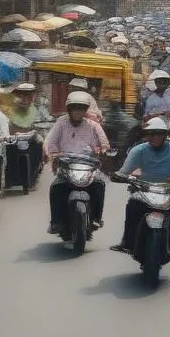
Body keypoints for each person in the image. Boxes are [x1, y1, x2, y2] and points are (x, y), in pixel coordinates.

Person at [110, 118, 170, 255]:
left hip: (168, 191)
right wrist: (119, 176)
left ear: (164, 135)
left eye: (157, 134)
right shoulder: (138, 150)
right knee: (132, 207)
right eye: (150, 134)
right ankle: (128, 243)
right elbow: (124, 171)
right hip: (143, 190)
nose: (153, 137)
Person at [44, 92, 111, 234]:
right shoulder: (61, 123)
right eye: (74, 108)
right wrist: (55, 155)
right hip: (66, 164)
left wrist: (103, 151)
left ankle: (96, 218)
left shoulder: (93, 125)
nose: (77, 112)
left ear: (85, 110)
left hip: (88, 165)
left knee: (99, 185)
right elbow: (52, 143)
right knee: (56, 188)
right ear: (69, 109)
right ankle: (56, 221)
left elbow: (104, 143)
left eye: (81, 109)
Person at [0, 81, 44, 181]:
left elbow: (45, 118)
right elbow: (3, 120)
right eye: (22, 95)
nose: (25, 98)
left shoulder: (37, 108)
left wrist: (41, 124)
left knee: (40, 143)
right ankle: (8, 174)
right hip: (13, 136)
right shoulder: (9, 109)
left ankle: (37, 167)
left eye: (28, 96)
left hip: (32, 136)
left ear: (32, 96)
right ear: (16, 96)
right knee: (6, 150)